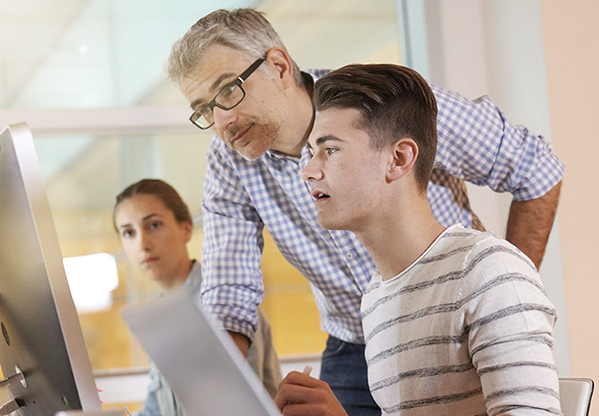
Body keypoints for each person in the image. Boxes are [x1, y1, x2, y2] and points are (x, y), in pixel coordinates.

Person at [166, 8, 564, 415]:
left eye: (228, 91)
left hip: (450, 316)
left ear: (278, 67)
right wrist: (216, 395)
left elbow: (535, 170)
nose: (221, 121)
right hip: (363, 331)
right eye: (204, 109)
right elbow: (229, 293)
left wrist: (504, 294)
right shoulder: (230, 162)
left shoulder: (382, 106)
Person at [275, 63, 560, 415]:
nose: (308, 170)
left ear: (398, 158)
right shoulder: (377, 298)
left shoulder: (489, 273)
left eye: (330, 150)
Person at [113, 179, 281, 415]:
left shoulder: (229, 300)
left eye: (153, 225)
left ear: (186, 228)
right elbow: (156, 411)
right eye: (128, 232)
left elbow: (237, 409)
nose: (143, 244)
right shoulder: (160, 317)